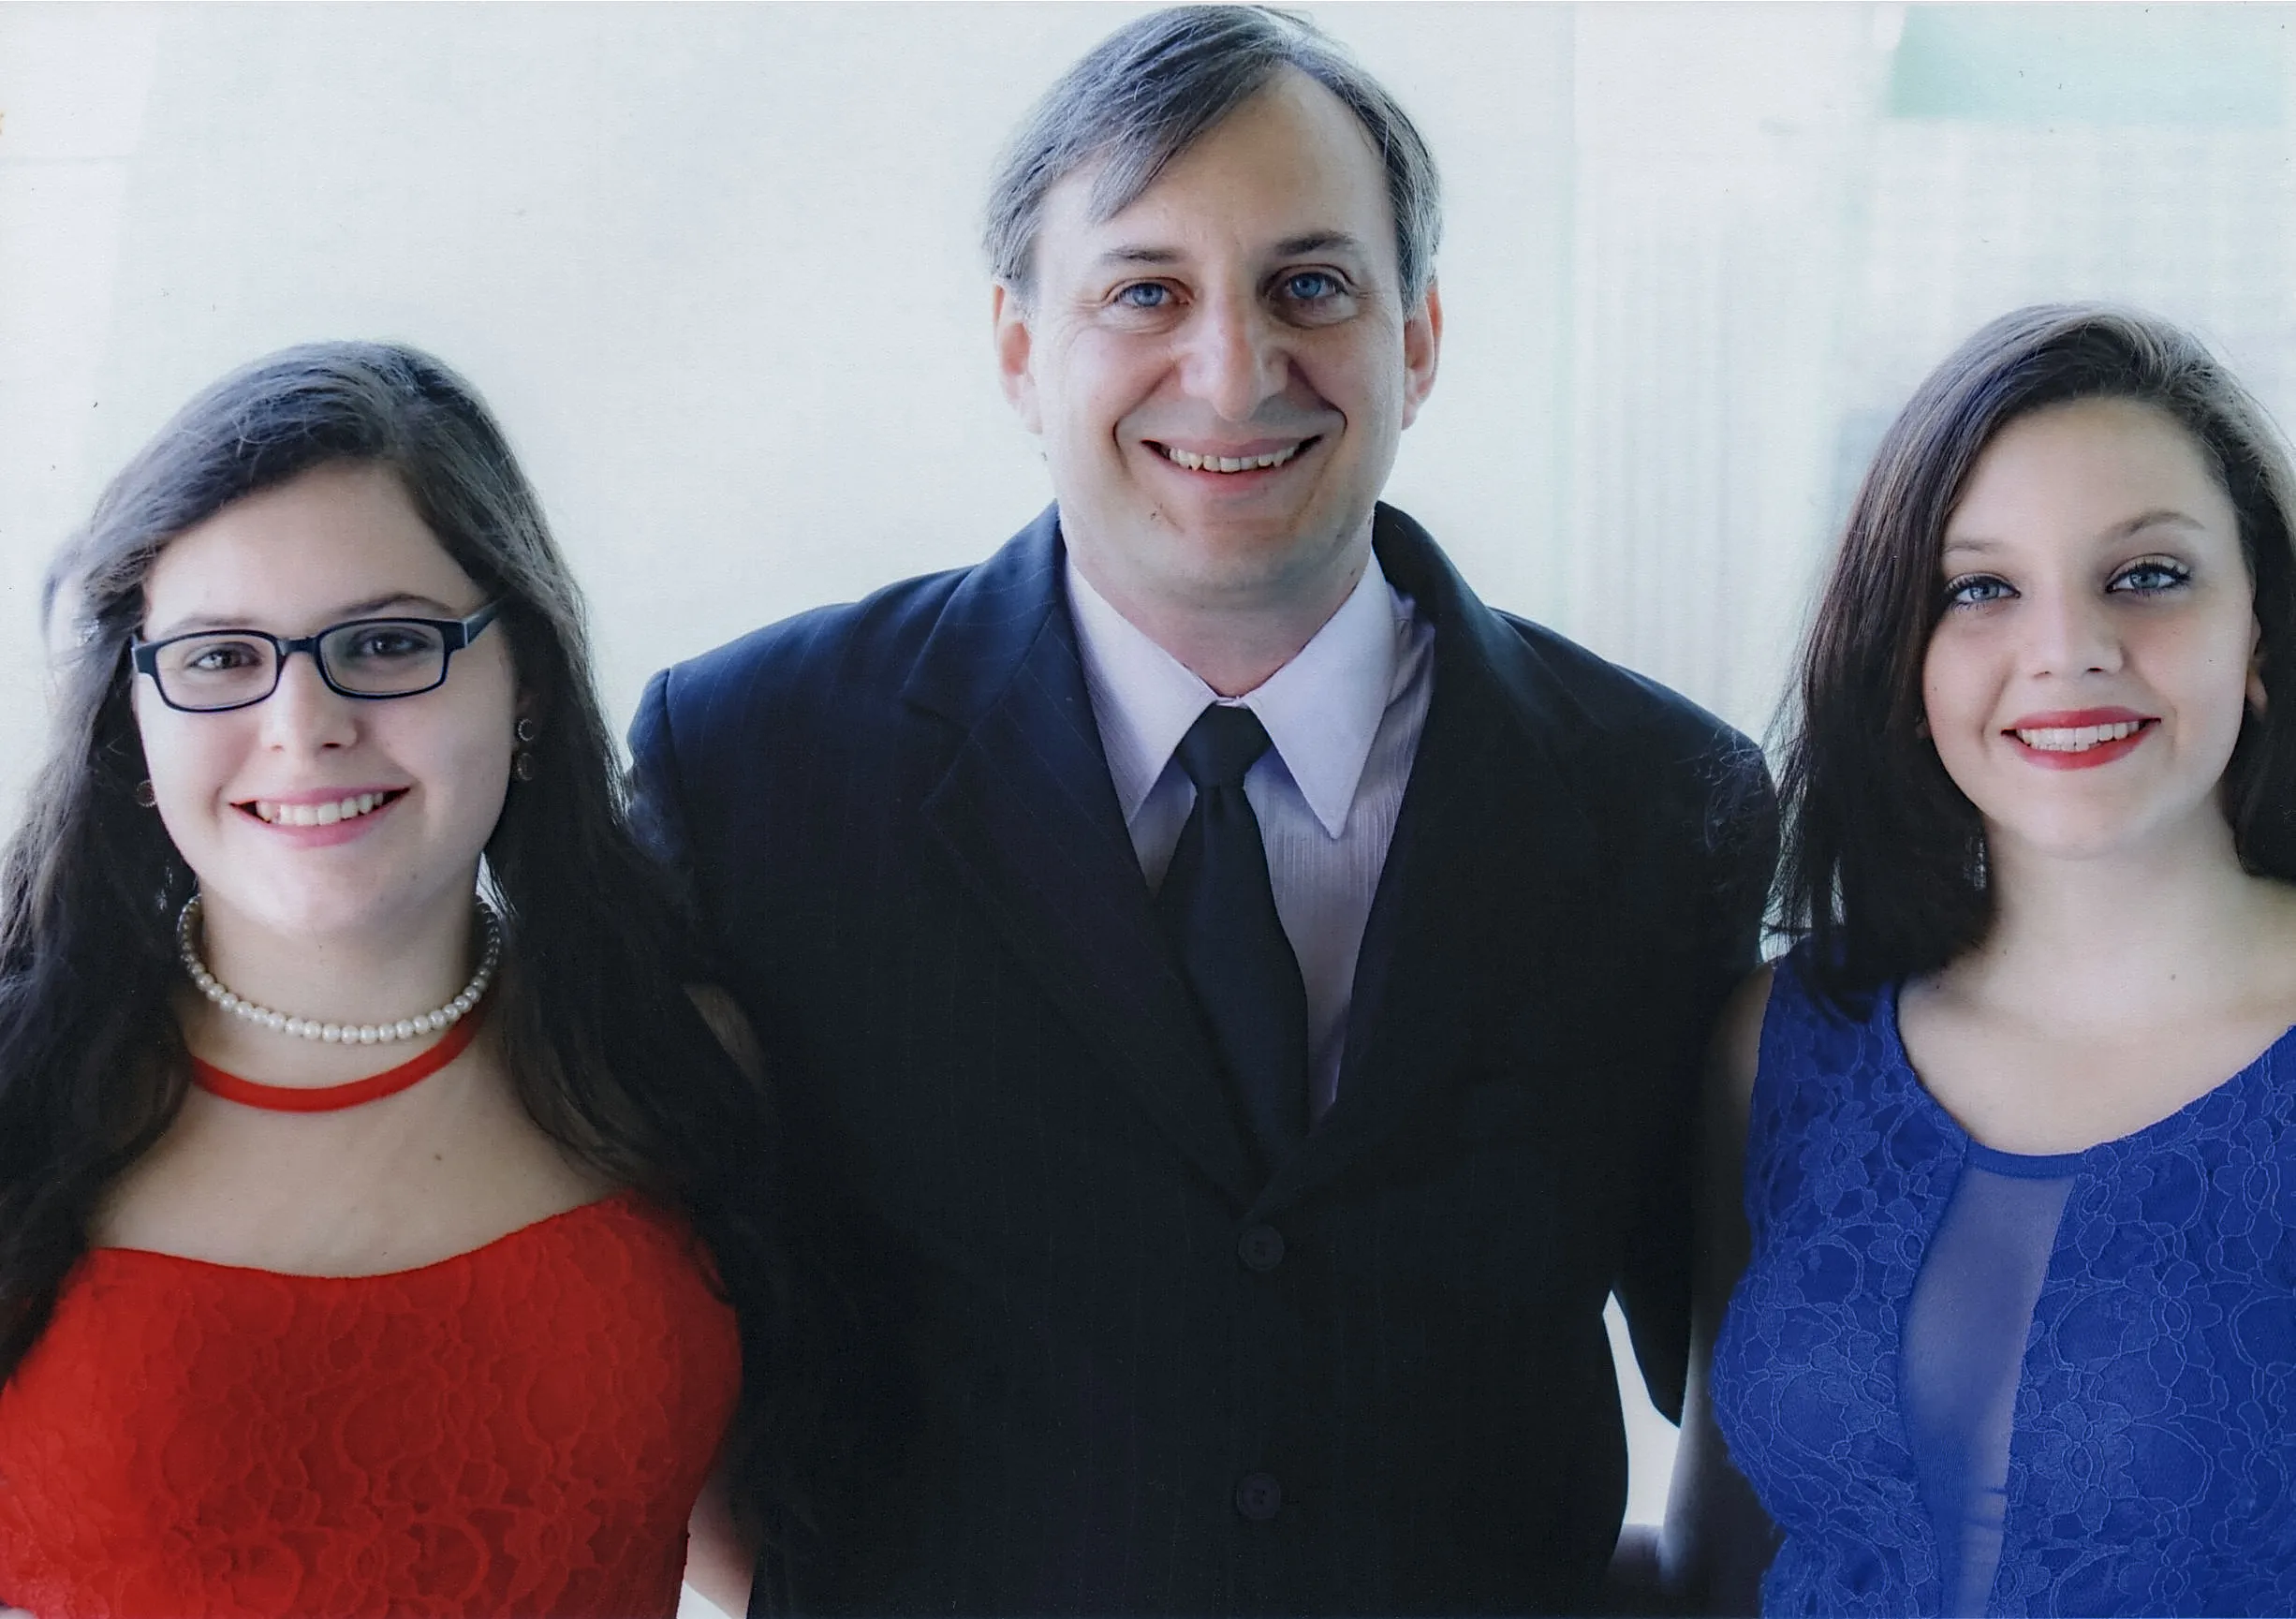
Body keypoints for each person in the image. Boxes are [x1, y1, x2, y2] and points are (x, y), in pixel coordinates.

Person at [629, 7, 1774, 1613]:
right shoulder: (751, 770)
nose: (1232, 372)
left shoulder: (1672, 806)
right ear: (1022, 349)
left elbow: (1768, 1386)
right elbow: (656, 1365)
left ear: (1420, 337)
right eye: (1144, 292)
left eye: (1310, 285)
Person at [0, 341, 792, 1618]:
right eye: (217, 659)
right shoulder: (19, 1102)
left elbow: (767, 1560)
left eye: (385, 643)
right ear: (129, 721)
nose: (304, 725)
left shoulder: (676, 1060)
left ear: (525, 687)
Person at [1664, 304, 2296, 1615]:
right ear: (1907, 663)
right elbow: (1719, 1557)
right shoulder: (1781, 1044)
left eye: (2150, 574)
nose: (2066, 649)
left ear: (2264, 641)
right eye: (1981, 589)